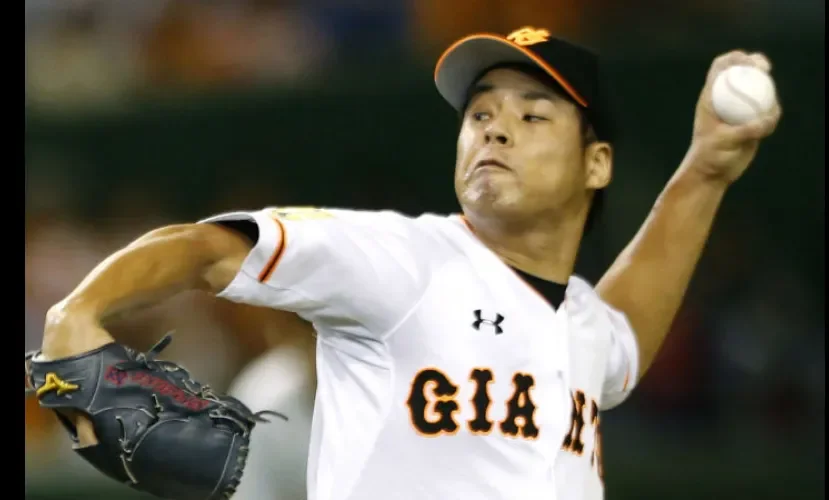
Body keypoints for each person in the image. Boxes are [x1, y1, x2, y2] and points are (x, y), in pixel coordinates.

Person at [38, 26, 781, 500]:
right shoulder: (402, 259)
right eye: (480, 114)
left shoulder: (582, 320)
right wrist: (81, 310)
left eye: (531, 115)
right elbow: (204, 249)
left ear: (597, 164)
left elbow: (622, 339)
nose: (494, 130)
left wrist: (705, 172)